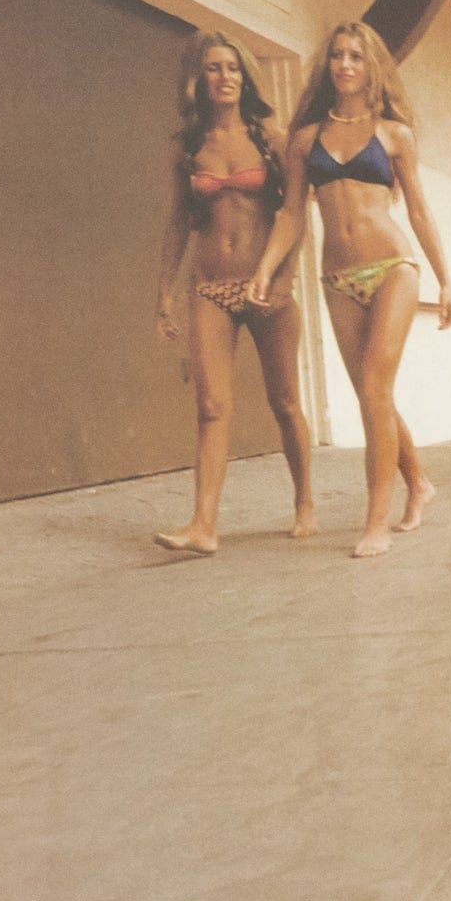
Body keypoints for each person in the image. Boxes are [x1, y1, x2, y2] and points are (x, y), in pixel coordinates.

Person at [248, 20, 451, 558]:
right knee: (373, 393)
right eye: (338, 55)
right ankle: (420, 484)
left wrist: (446, 279)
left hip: (394, 267)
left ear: (373, 67)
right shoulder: (304, 139)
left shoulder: (394, 134)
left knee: (373, 389)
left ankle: (375, 521)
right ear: (328, 66)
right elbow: (292, 214)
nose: (345, 64)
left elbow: (419, 210)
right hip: (337, 278)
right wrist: (265, 269)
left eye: (357, 57)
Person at [154, 31, 316, 555]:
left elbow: (295, 214)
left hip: (266, 284)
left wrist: (284, 277)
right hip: (211, 286)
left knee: (286, 402)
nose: (223, 77)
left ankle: (306, 502)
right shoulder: (187, 146)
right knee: (210, 404)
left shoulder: (271, 136)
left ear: (245, 77)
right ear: (197, 80)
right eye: (213, 69)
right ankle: (204, 526)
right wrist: (166, 292)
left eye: (232, 69)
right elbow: (179, 222)